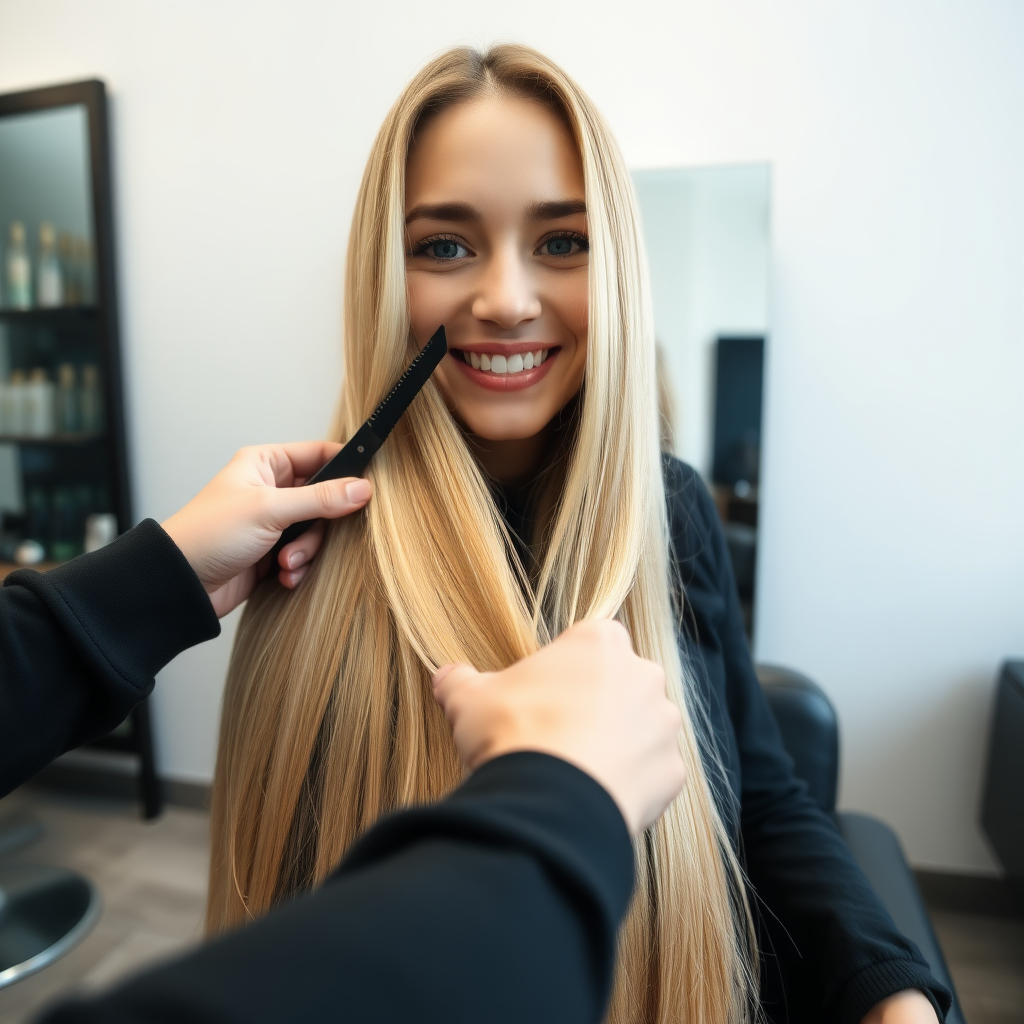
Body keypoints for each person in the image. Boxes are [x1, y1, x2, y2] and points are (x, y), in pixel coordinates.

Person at [208, 45, 950, 1024]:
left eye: (562, 242)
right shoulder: (313, 558)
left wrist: (890, 992)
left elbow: (765, 801)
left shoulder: (675, 513)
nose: (508, 298)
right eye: (443, 246)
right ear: (383, 278)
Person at [1, 442, 688, 1023]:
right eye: (444, 267)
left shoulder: (673, 508)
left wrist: (152, 581)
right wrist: (564, 804)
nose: (505, 304)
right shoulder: (329, 580)